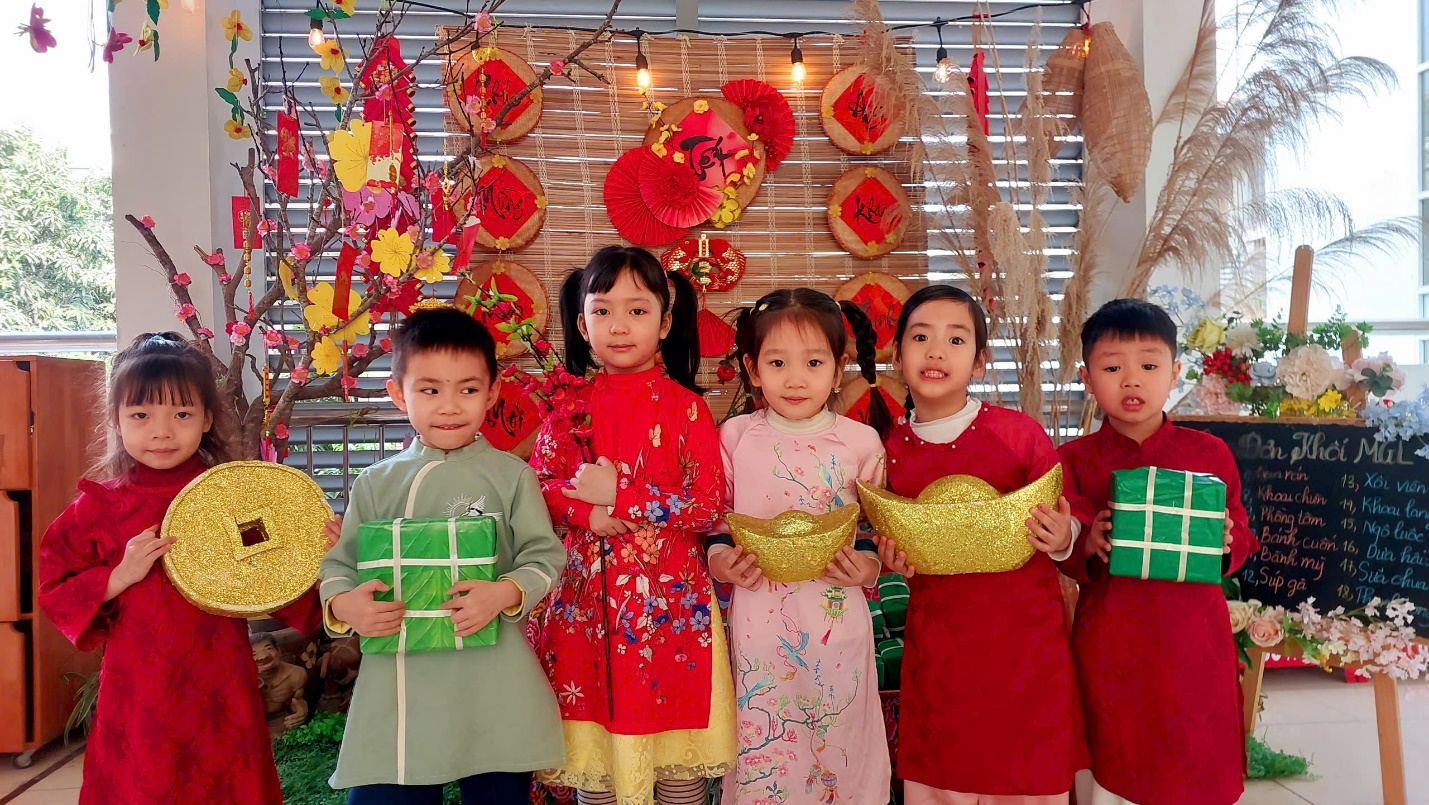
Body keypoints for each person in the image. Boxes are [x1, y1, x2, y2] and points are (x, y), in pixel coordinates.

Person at [37, 331, 321, 804]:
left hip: (221, 679)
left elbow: (274, 576)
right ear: (116, 420)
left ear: (207, 418)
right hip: (138, 688)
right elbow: (56, 587)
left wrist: (315, 557)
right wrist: (117, 576)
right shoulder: (100, 508)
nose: (162, 431)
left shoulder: (232, 499)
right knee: (143, 782)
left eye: (182, 414)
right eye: (141, 415)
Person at [320, 305, 567, 804]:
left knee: (497, 788)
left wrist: (503, 592)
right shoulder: (375, 483)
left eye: (468, 390)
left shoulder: (511, 476)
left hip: (490, 675)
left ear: (492, 393)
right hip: (399, 682)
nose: (450, 406)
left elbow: (545, 556)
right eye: (430, 390)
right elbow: (340, 564)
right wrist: (345, 605)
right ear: (398, 394)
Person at [530, 245, 734, 805]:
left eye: (637, 310)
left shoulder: (687, 408)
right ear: (582, 324)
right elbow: (539, 486)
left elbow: (707, 506)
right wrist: (588, 513)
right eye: (602, 311)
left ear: (665, 322)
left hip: (671, 612)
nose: (619, 326)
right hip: (586, 610)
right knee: (597, 766)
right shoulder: (568, 407)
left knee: (677, 769)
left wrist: (621, 495)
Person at [873, 285, 1092, 804]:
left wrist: (1065, 536)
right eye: (920, 338)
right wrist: (891, 558)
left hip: (1024, 650)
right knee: (944, 774)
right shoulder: (889, 451)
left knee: (1024, 775)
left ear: (979, 361)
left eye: (955, 339)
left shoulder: (1017, 434)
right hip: (940, 650)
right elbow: (889, 539)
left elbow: (1070, 510)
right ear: (897, 355)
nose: (935, 352)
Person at [1058, 299, 1257, 805]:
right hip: (1111, 641)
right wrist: (1087, 542)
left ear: (1175, 373)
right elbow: (1064, 543)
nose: (1131, 381)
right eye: (1112, 368)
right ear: (1086, 378)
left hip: (1195, 641)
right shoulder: (1071, 460)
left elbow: (1241, 532)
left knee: (1195, 762)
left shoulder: (1210, 453)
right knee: (1114, 764)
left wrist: (1227, 542)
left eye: (1149, 366)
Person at [710, 288, 892, 804]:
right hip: (760, 624)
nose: (795, 379)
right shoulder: (735, 437)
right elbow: (717, 519)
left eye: (813, 362)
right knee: (766, 743)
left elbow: (876, 527)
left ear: (837, 371)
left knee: (841, 743)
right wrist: (721, 562)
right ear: (752, 369)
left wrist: (868, 566)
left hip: (837, 623)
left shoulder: (860, 442)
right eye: (777, 363)